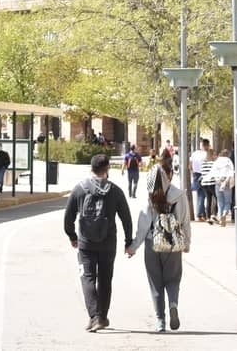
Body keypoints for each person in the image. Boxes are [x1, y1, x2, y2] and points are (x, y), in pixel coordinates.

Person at [63, 154, 133, 333]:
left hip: (86, 243)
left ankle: (94, 316)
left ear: (91, 169)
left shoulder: (79, 189)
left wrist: (72, 236)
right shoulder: (115, 191)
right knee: (105, 279)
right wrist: (128, 241)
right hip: (108, 242)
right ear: (107, 169)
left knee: (87, 277)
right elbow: (126, 218)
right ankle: (101, 316)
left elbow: (68, 217)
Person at [128, 161, 191, 332]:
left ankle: (160, 320)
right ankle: (173, 304)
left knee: (155, 282)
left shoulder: (150, 196)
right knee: (173, 279)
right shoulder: (179, 195)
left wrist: (134, 246)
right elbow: (185, 222)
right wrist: (187, 243)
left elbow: (143, 224)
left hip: (152, 243)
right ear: (167, 176)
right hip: (173, 245)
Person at [212, 149, 235, 227]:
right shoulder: (229, 162)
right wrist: (225, 182)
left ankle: (221, 218)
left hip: (218, 183)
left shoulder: (217, 162)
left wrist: (219, 181)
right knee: (227, 202)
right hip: (227, 183)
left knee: (220, 202)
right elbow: (230, 174)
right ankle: (224, 215)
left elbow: (214, 174)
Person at [189, 139, 210, 221]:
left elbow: (190, 165)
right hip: (204, 174)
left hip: (195, 174)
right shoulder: (207, 154)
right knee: (202, 195)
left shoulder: (195, 153)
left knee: (199, 194)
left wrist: (193, 173)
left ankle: (202, 213)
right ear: (207, 145)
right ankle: (199, 214)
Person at [199, 148, 218, 223]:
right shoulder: (213, 164)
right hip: (212, 183)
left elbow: (202, 173)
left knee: (208, 200)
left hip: (204, 184)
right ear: (212, 155)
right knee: (217, 198)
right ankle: (214, 214)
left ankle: (208, 217)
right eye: (214, 154)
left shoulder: (203, 163)